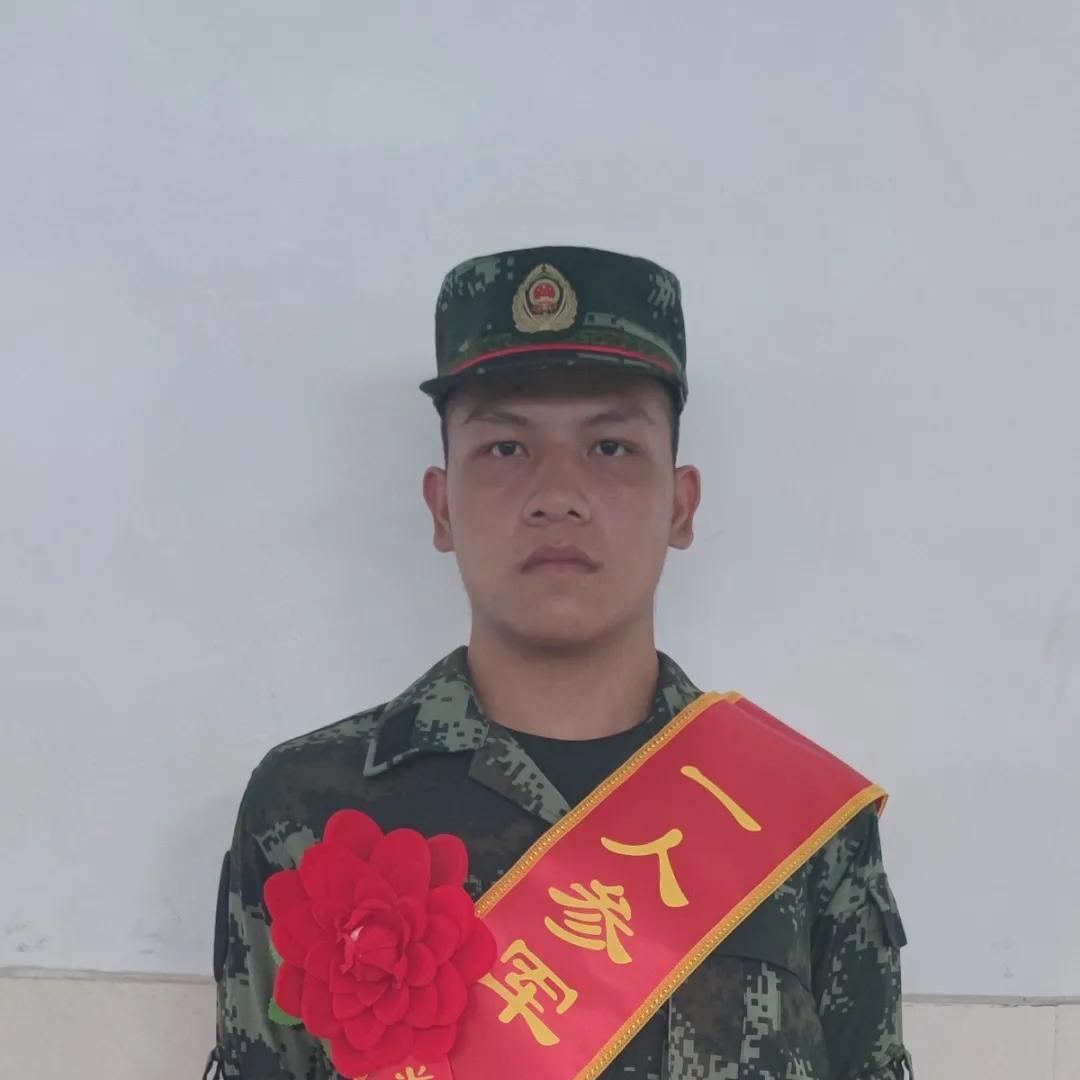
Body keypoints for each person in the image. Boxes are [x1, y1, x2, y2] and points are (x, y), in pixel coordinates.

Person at [206, 245, 913, 1079]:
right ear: (441, 506)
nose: (557, 495)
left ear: (682, 505)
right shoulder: (307, 807)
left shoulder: (800, 824)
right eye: (506, 449)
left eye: (611, 447)